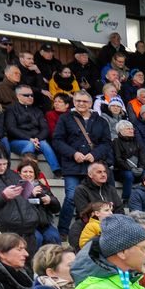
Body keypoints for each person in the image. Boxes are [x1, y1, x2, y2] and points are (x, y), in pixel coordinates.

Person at [53, 90, 113, 235]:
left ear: (91, 103)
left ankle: (94, 230)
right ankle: (63, 231)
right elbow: (57, 140)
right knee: (71, 197)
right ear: (74, 102)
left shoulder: (101, 121)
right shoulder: (65, 118)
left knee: (96, 201)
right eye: (78, 101)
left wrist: (94, 154)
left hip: (93, 166)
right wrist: (73, 153)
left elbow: (106, 143)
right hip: (72, 165)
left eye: (85, 101)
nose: (81, 103)